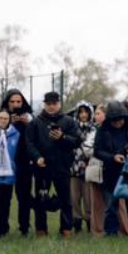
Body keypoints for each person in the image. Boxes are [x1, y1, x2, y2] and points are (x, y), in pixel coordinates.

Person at [27, 91, 82, 238]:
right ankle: (41, 230)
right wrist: (37, 157)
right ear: (44, 104)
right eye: (48, 104)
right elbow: (29, 143)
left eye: (54, 104)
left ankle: (66, 230)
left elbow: (77, 141)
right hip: (42, 168)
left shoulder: (69, 121)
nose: (51, 107)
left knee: (65, 200)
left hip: (62, 166)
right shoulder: (35, 122)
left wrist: (62, 137)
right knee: (40, 199)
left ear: (59, 104)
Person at [94, 101, 128, 238]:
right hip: (111, 173)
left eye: (121, 119)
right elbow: (97, 151)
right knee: (111, 206)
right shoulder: (102, 130)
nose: (118, 123)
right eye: (115, 120)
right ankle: (111, 234)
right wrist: (112, 157)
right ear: (110, 119)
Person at [0, 89, 36, 236]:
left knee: (24, 196)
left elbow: (35, 139)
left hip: (24, 162)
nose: (15, 105)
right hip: (5, 162)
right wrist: (8, 124)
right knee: (4, 196)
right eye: (12, 101)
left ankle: (24, 227)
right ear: (7, 103)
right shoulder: (1, 117)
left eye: (18, 101)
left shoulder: (30, 118)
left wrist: (29, 124)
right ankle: (2, 228)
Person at [68, 103, 99, 235]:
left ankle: (89, 223)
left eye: (86, 112)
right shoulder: (72, 128)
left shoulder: (94, 129)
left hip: (88, 167)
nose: (83, 115)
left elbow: (91, 148)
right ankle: (77, 224)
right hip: (73, 168)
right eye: (81, 112)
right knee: (74, 198)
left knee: (88, 198)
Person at [0, 109, 19, 238]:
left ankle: (3, 228)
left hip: (8, 174)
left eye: (6, 119)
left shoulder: (15, 134)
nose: (3, 121)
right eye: (0, 118)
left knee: (5, 202)